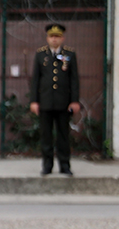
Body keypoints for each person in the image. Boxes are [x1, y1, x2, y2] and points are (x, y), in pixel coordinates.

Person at [28, 23, 80, 176]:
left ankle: (65, 165)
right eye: (52, 36)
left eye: (57, 37)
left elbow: (74, 79)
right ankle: (47, 166)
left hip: (63, 103)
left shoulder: (69, 54)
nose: (54, 40)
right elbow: (35, 80)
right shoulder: (40, 54)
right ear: (47, 38)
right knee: (46, 136)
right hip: (45, 102)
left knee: (63, 135)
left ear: (62, 38)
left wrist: (74, 100)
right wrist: (34, 101)